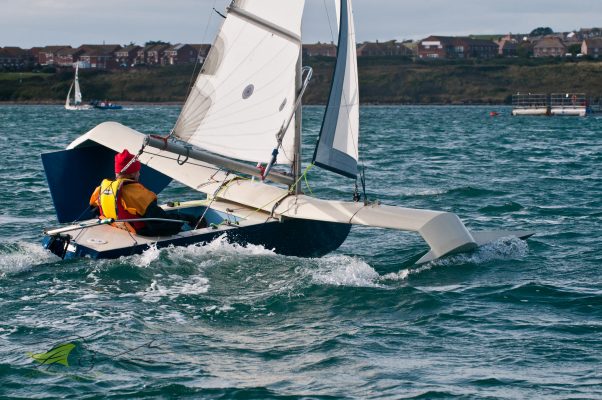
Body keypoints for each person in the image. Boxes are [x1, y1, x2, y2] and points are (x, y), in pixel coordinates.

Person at [89, 149, 194, 236]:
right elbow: (159, 219)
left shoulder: (101, 189)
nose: (139, 174)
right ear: (133, 173)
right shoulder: (138, 193)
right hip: (141, 232)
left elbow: (95, 211)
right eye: (138, 171)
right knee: (185, 219)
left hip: (119, 228)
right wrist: (184, 220)